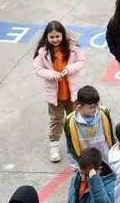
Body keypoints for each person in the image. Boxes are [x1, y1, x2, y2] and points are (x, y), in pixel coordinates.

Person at [30, 21, 85, 163]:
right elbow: (37, 68)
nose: (55, 40)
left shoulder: (72, 48)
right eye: (52, 37)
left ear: (62, 35)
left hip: (72, 93)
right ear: (47, 37)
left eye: (57, 36)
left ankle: (76, 144)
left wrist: (69, 69)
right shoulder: (43, 52)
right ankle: (54, 147)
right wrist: (52, 74)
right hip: (55, 95)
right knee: (56, 120)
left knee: (74, 119)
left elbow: (81, 61)